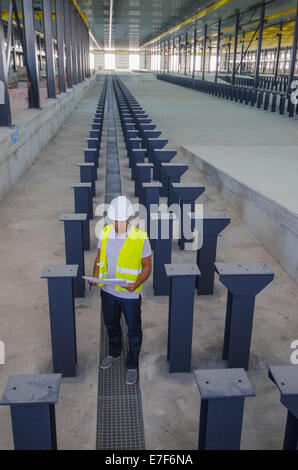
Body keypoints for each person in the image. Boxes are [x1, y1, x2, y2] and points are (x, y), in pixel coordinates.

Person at [89, 196, 152, 385]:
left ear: (129, 219)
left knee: (133, 330)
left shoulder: (141, 238)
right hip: (108, 291)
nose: (117, 224)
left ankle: (132, 364)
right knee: (111, 324)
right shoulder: (106, 232)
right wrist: (94, 276)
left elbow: (147, 267)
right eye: (114, 220)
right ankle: (114, 352)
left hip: (130, 294)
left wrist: (137, 282)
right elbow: (99, 257)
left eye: (120, 220)